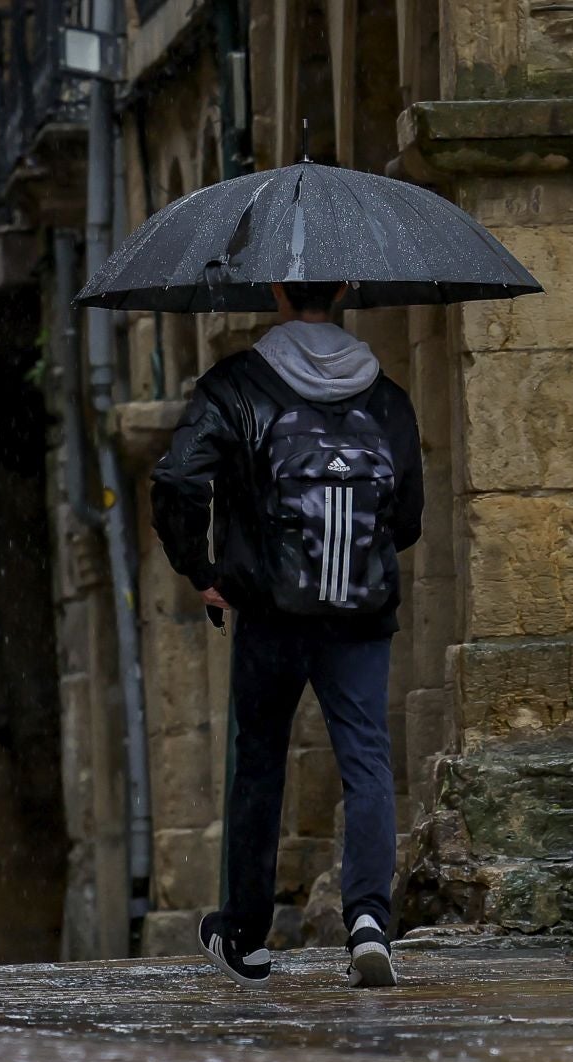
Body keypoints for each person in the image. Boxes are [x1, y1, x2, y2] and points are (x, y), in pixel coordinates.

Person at [150, 280, 423, 990]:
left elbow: (179, 478)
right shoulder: (387, 397)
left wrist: (201, 568)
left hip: (270, 609)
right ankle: (368, 920)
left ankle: (244, 934)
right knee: (366, 759)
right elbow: (411, 516)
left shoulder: (237, 385)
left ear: (276, 291)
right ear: (344, 292)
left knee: (260, 762)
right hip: (361, 614)